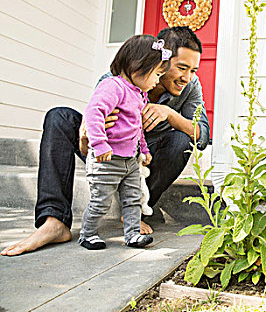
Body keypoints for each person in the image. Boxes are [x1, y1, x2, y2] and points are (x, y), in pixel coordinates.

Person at [1, 27, 210, 256]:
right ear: (160, 59)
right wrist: (86, 139)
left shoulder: (190, 86)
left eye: (193, 70)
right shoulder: (114, 81)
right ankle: (54, 221)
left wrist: (170, 114)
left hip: (144, 158)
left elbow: (202, 135)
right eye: (182, 68)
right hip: (109, 153)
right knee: (58, 116)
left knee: (182, 139)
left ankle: (134, 210)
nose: (187, 77)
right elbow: (88, 139)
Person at [79, 35, 171, 250]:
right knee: (101, 201)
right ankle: (88, 234)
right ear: (137, 67)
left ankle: (132, 235)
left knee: (132, 200)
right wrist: (100, 144)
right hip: (107, 159)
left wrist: (144, 150)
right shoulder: (113, 87)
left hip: (130, 160)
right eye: (156, 74)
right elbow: (94, 113)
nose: (158, 81)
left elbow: (137, 126)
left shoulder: (139, 94)